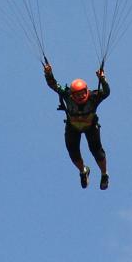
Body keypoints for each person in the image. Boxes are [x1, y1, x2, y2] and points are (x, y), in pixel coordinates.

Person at [43, 57, 110, 190]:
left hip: (90, 126)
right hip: (72, 127)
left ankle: (104, 174)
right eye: (77, 95)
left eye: (82, 93)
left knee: (97, 151)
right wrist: (48, 73)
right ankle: (83, 171)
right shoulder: (66, 94)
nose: (80, 96)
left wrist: (102, 79)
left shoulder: (94, 97)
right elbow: (54, 85)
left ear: (86, 91)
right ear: (72, 95)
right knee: (73, 152)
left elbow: (106, 92)